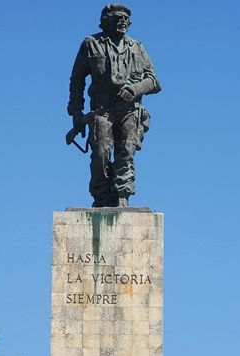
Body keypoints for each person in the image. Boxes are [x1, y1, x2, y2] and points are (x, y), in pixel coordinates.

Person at [67, 3, 161, 208]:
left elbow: (153, 81)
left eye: (126, 18)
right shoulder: (91, 44)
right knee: (100, 154)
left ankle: (122, 196)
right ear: (105, 20)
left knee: (125, 152)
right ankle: (101, 197)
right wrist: (76, 113)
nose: (123, 21)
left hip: (129, 109)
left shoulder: (137, 47)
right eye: (118, 16)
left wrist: (135, 90)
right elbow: (77, 81)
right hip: (101, 110)